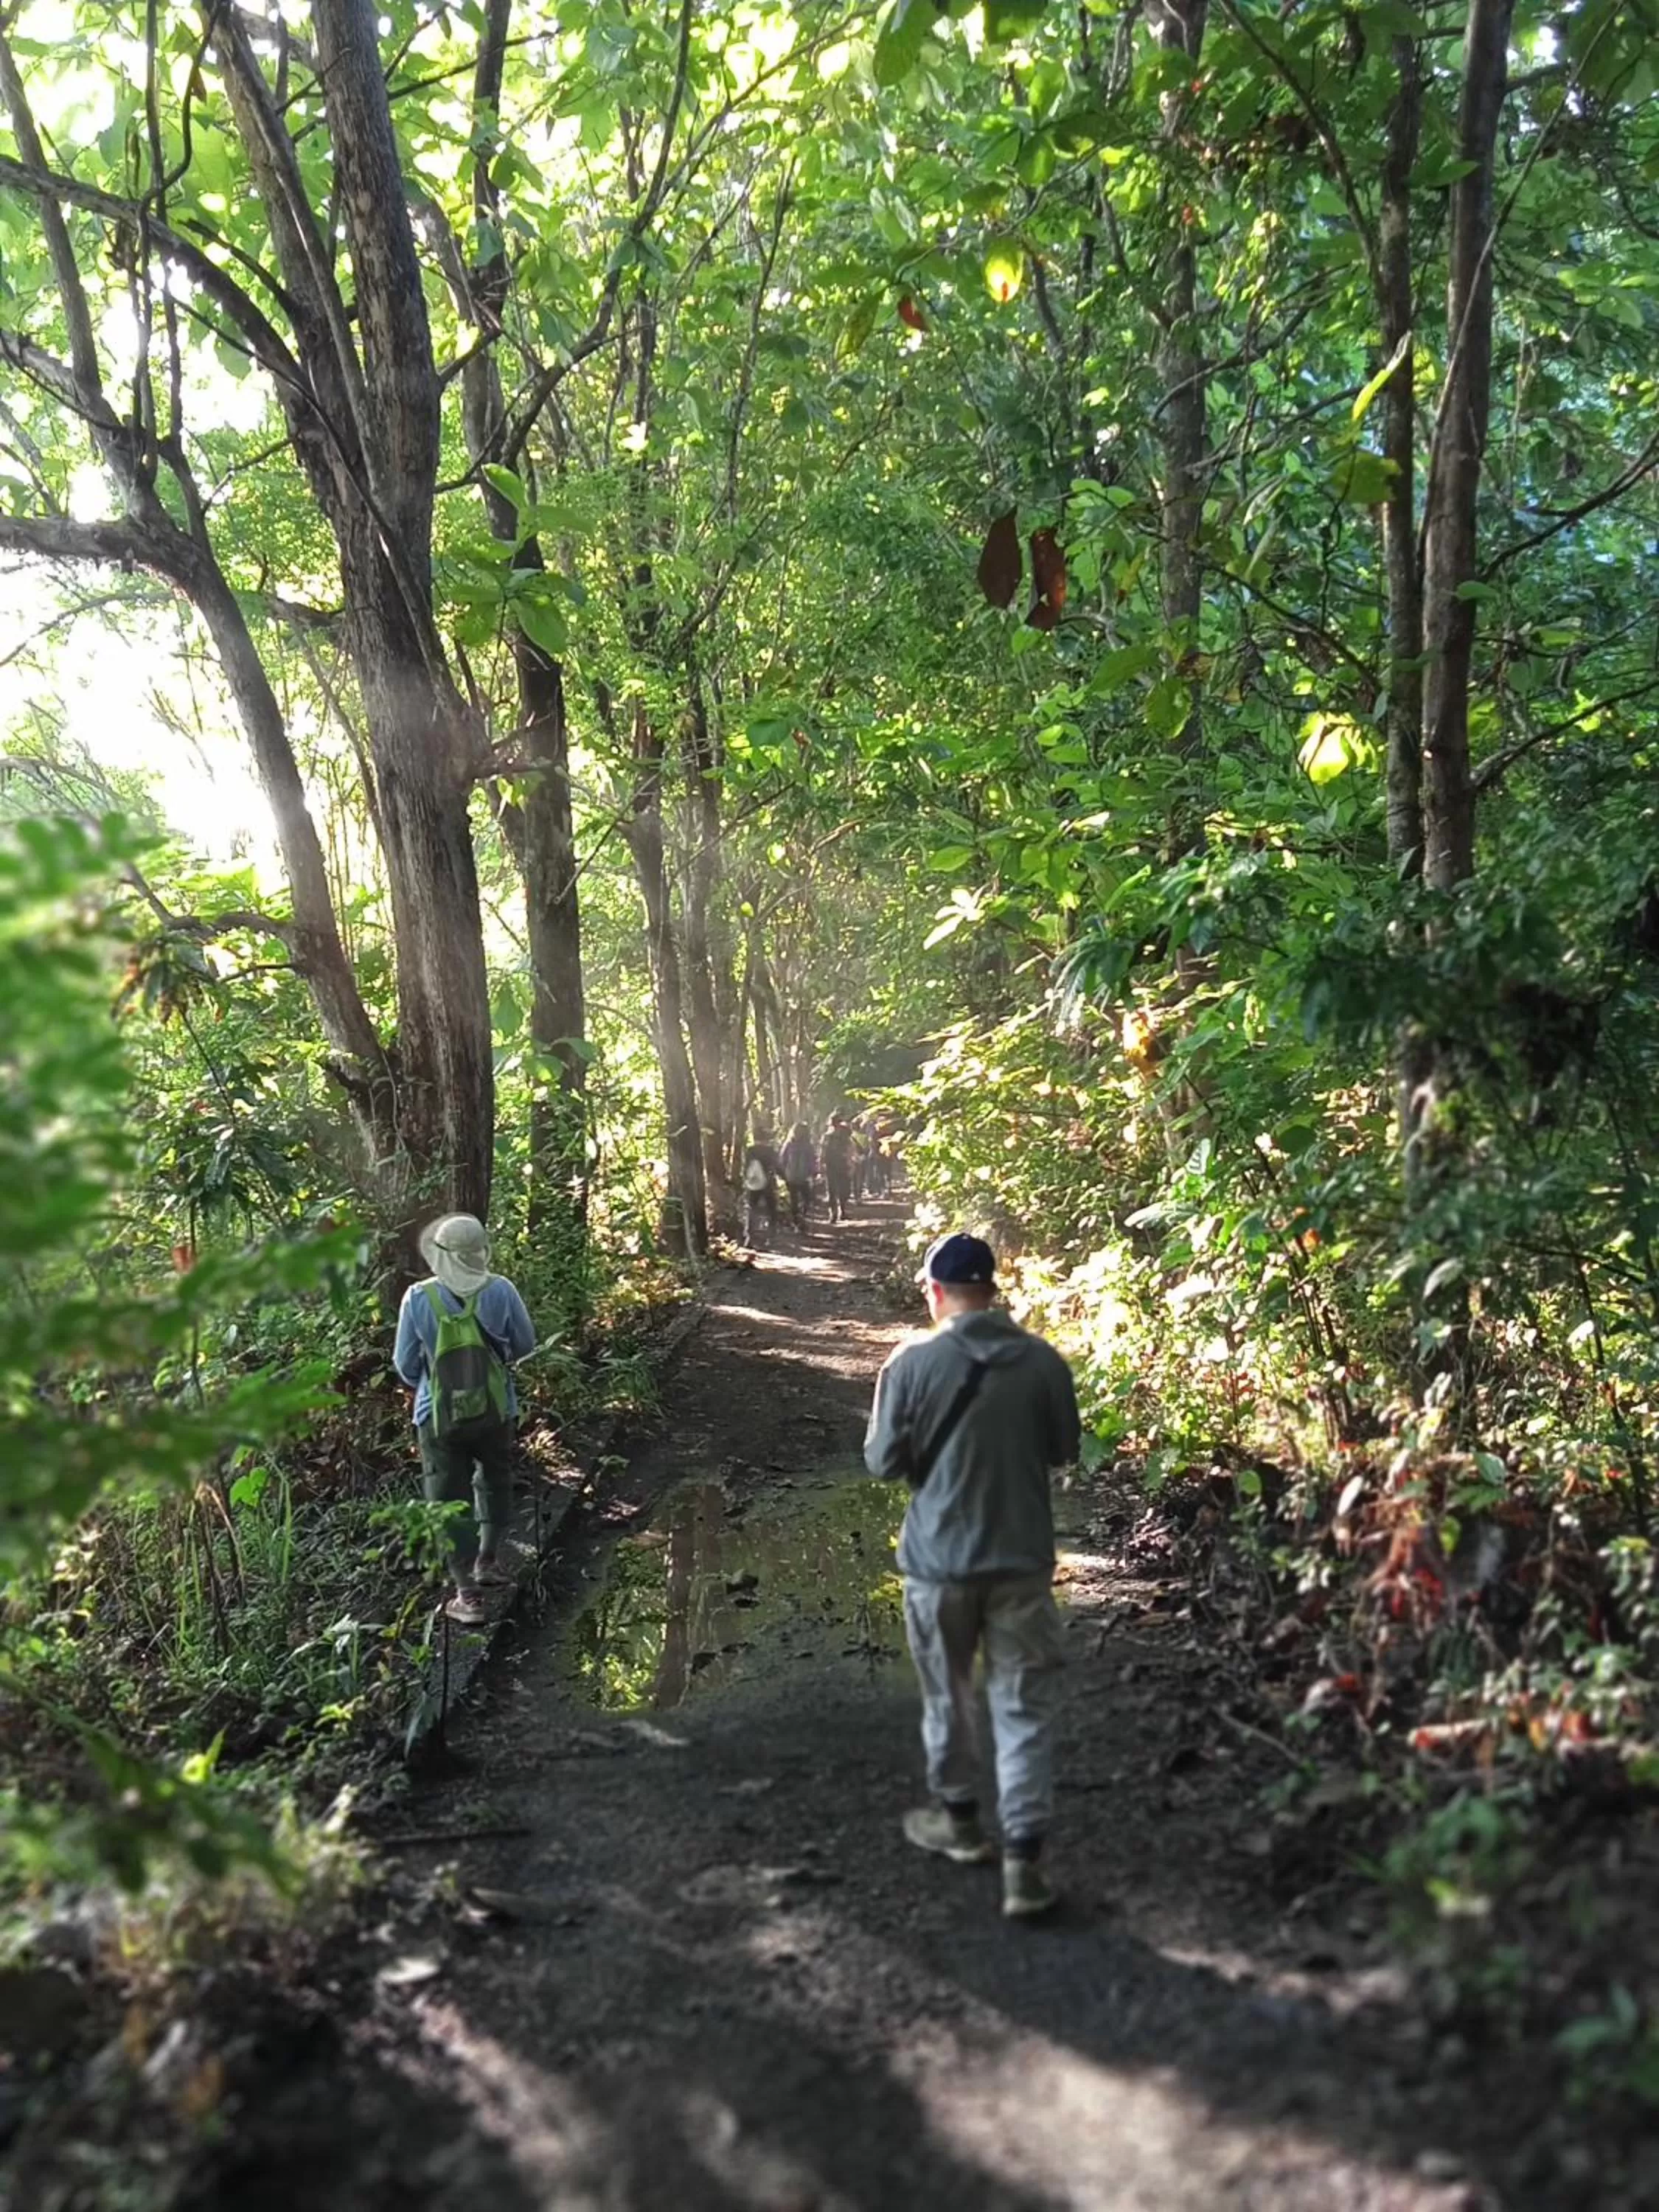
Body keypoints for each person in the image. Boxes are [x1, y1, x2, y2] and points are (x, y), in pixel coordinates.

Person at [863, 1231, 1081, 1919]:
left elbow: (882, 1463)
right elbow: (1063, 1449)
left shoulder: (911, 1362)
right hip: (1020, 1560)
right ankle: (1023, 1863)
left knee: (949, 1696)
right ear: (993, 1289)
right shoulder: (1043, 1361)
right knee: (1022, 1708)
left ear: (933, 1292)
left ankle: (958, 1825)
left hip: (938, 1564)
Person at [393, 1214, 535, 1626]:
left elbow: (404, 1365)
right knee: (495, 1478)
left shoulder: (418, 1297)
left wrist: (438, 1384)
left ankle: (467, 1596)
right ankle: (487, 1561)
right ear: (482, 1251)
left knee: (446, 1497)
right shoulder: (502, 1290)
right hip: (496, 1408)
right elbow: (524, 1345)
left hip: (437, 1416)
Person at [741, 1127, 781, 1248]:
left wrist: (745, 1179)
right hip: (768, 1183)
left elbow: (746, 1167)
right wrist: (784, 1177)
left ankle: (750, 1237)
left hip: (754, 1184)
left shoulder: (750, 1151)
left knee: (752, 1209)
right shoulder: (770, 1151)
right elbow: (777, 1166)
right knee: (771, 1210)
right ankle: (771, 1237)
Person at [779, 1120, 816, 1231]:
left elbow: (782, 1159)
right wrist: (813, 1173)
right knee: (807, 1199)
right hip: (803, 1177)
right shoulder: (808, 1145)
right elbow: (812, 1161)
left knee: (794, 1200)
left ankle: (797, 1221)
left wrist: (783, 1173)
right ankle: (801, 1218)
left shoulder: (789, 1144)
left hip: (791, 1176)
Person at [821, 1113, 855, 1222]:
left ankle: (838, 1212)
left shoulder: (841, 1135)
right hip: (836, 1164)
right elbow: (823, 1150)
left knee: (839, 1189)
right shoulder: (829, 1136)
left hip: (837, 1164)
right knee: (836, 1190)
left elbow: (850, 1148)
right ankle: (836, 1213)